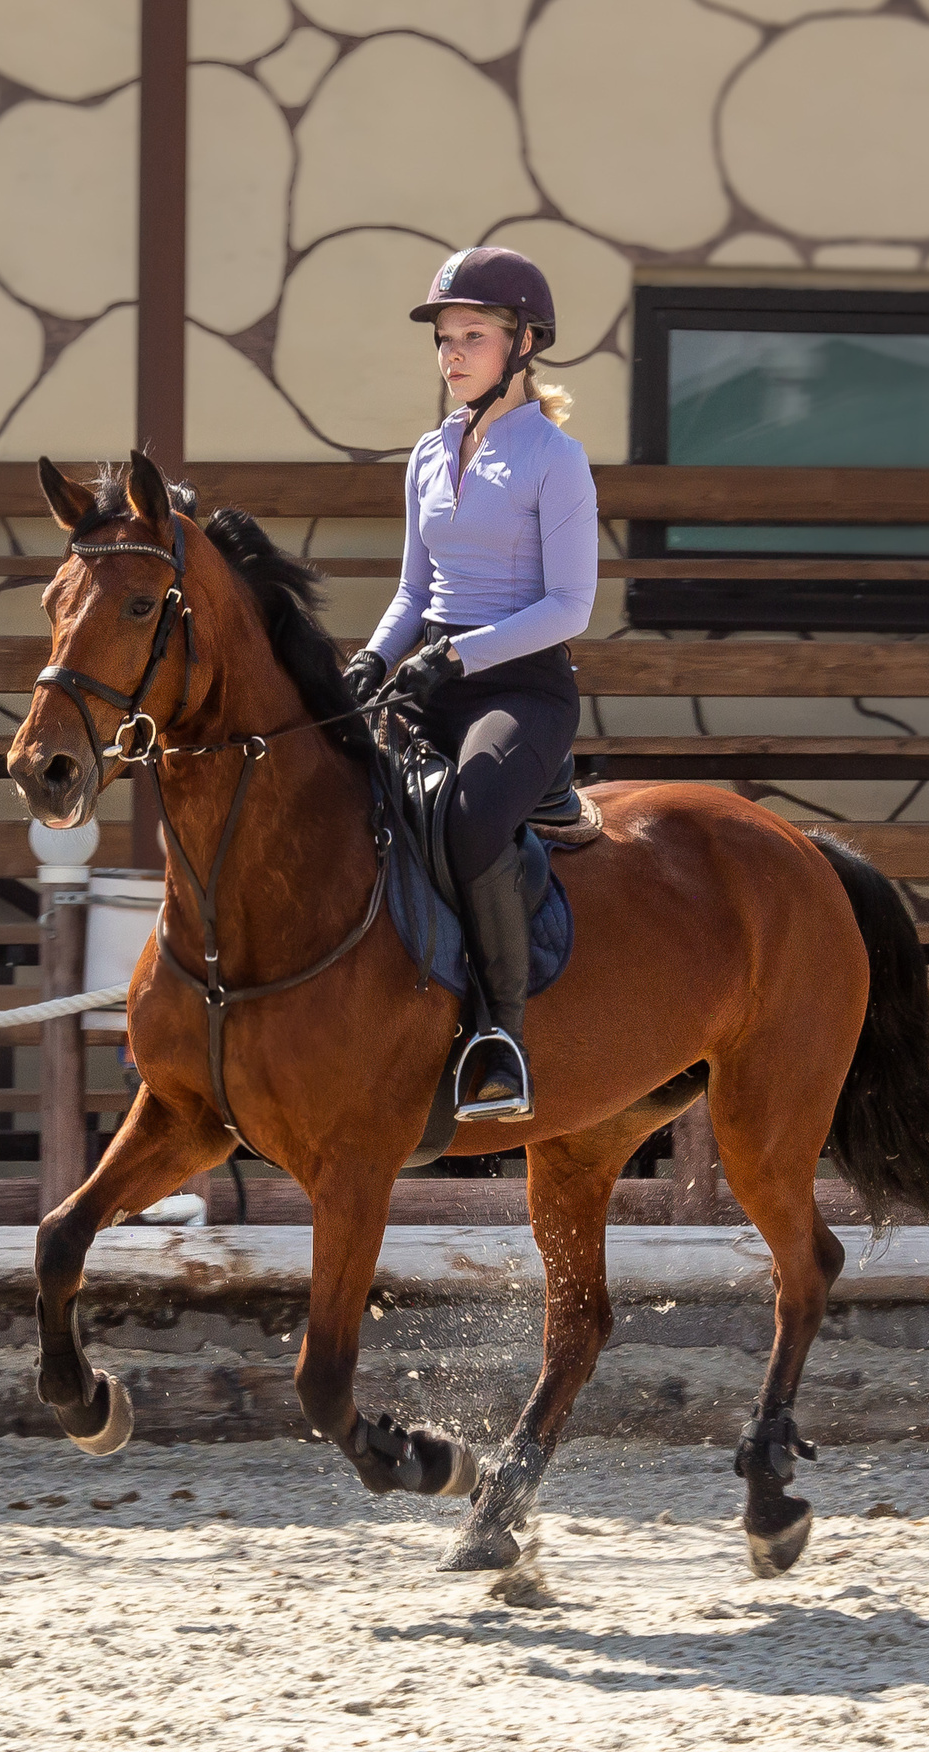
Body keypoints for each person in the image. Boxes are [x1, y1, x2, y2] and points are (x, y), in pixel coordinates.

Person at [343, 246, 597, 1123]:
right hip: (428, 672)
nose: (452, 354)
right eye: (445, 339)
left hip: (520, 690)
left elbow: (572, 605)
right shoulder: (427, 454)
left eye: (472, 337)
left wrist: (457, 656)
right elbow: (414, 592)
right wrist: (372, 658)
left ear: (522, 343)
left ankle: (501, 1036)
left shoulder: (554, 458)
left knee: (470, 811)